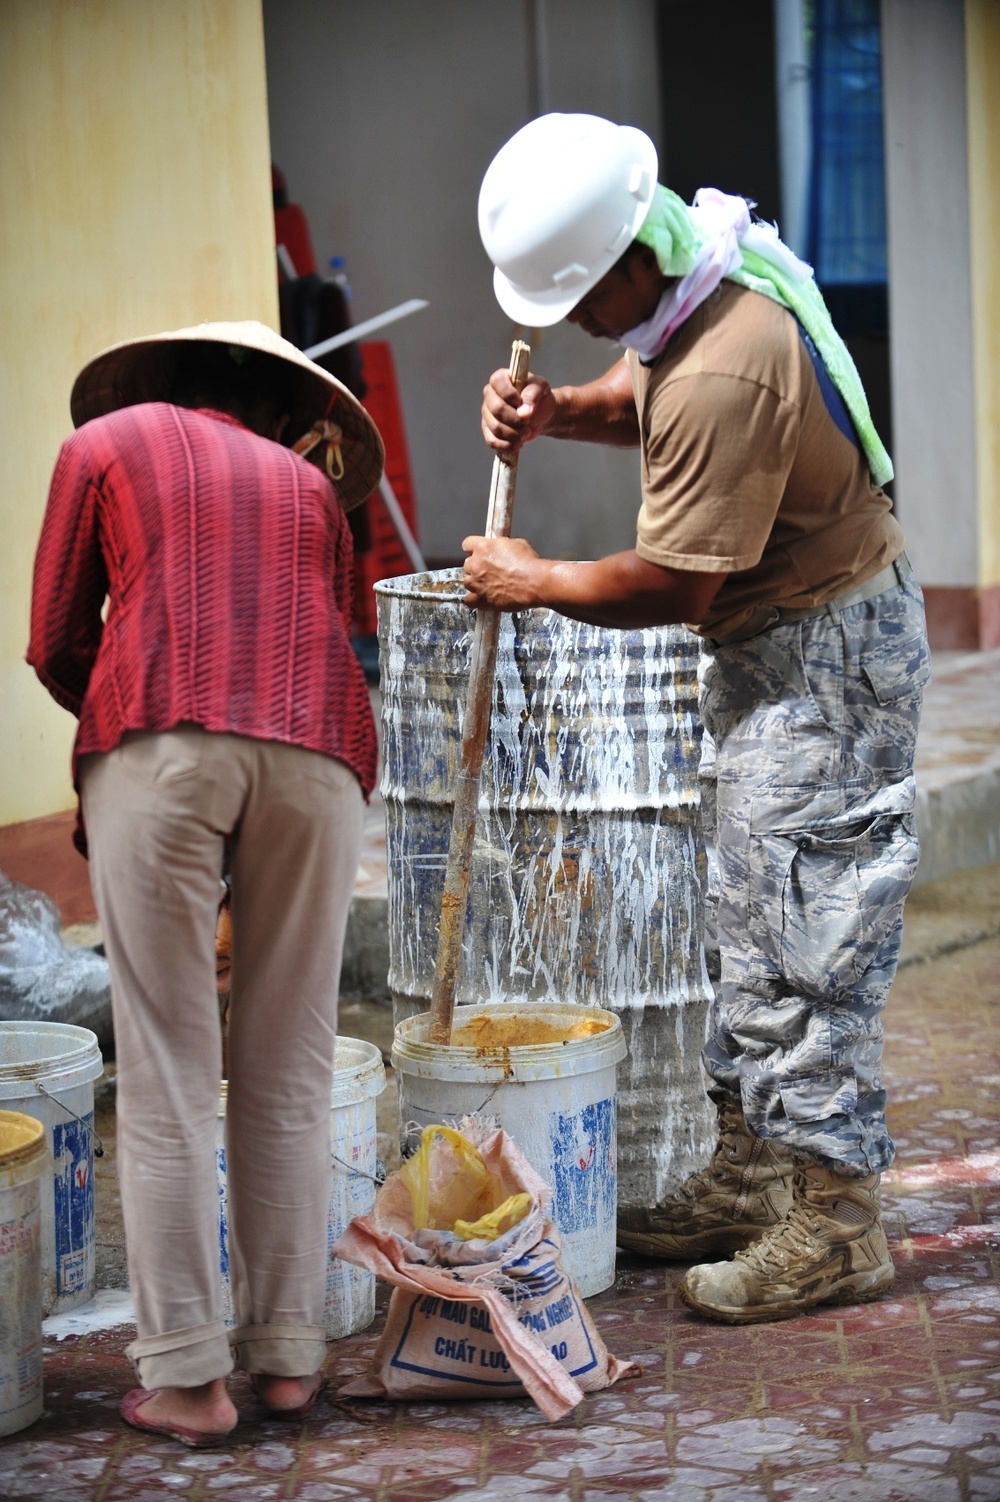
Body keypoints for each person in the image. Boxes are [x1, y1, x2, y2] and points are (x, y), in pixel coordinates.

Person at [469, 114, 929, 1325]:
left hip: (824, 655)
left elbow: (676, 586)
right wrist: (562, 407)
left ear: (631, 254)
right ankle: (753, 1173)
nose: (570, 318)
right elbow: (646, 381)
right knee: (741, 916)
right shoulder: (707, 264)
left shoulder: (731, 360)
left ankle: (835, 1220)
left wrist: (532, 578)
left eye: (578, 295)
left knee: (805, 931)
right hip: (778, 643)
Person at [28, 321, 384, 1441]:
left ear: (162, 385)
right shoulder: (317, 493)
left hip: (162, 731)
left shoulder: (110, 438)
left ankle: (186, 1375)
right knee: (289, 1058)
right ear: (279, 411)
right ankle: (285, 1355)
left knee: (169, 1059)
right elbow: (350, 630)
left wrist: (133, 707)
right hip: (322, 747)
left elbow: (51, 638)